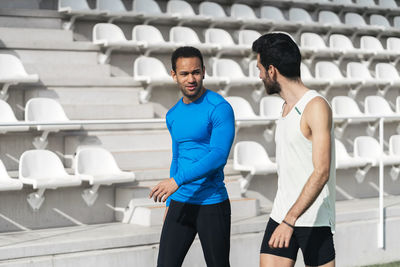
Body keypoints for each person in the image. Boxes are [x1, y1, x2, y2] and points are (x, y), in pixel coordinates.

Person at [252, 33, 336, 267]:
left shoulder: (316, 106)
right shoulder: (286, 107)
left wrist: (290, 220)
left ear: (272, 70)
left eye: (259, 68)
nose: (259, 75)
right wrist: (285, 219)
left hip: (314, 219)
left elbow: (321, 172)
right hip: (281, 214)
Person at [149, 46, 235, 267]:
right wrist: (170, 201)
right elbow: (177, 157)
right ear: (174, 75)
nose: (191, 79)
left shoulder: (219, 107)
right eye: (185, 73)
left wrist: (176, 181)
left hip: (212, 203)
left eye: (196, 72)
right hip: (181, 202)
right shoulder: (173, 114)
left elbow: (218, 156)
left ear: (204, 71)